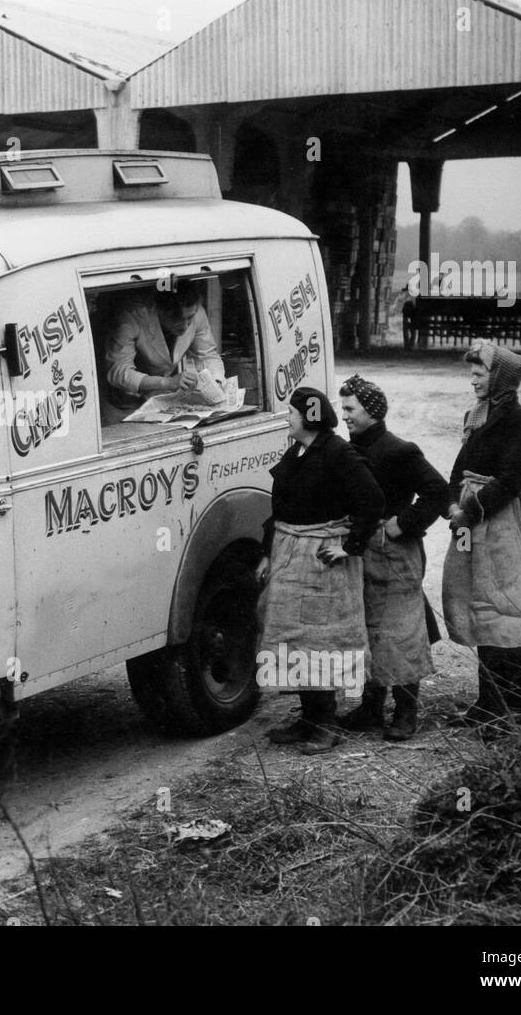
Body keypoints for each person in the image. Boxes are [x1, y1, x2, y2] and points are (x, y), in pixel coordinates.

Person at [255, 387, 384, 754]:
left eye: (292, 413)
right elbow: (279, 510)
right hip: (290, 555)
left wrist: (349, 545)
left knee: (320, 640)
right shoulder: (296, 452)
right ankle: (309, 718)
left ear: (309, 416)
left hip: (322, 559)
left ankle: (326, 724)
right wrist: (268, 553)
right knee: (296, 639)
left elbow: (372, 499)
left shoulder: (337, 453)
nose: (287, 418)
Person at [337, 374, 449, 741]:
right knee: (369, 627)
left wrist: (405, 523)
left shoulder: (400, 450)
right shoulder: (348, 450)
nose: (345, 415)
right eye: (343, 409)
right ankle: (371, 708)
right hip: (362, 552)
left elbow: (438, 491)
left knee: (402, 630)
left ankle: (405, 711)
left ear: (370, 410)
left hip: (396, 554)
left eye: (350, 409)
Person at [442, 340, 521, 733]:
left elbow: (512, 480)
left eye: (479, 373)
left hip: (499, 525)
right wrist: (452, 505)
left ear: (499, 376)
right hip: (469, 524)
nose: (473, 380)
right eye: (472, 373)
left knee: (505, 606)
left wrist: (469, 509)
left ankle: (517, 710)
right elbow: (458, 470)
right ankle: (489, 704)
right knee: (478, 604)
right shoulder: (476, 416)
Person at [103, 281, 225, 412]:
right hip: (122, 400)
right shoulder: (131, 316)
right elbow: (119, 372)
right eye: (176, 318)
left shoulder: (196, 312)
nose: (185, 326)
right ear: (159, 310)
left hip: (161, 398)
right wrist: (167, 382)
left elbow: (208, 355)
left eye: (189, 318)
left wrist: (215, 382)